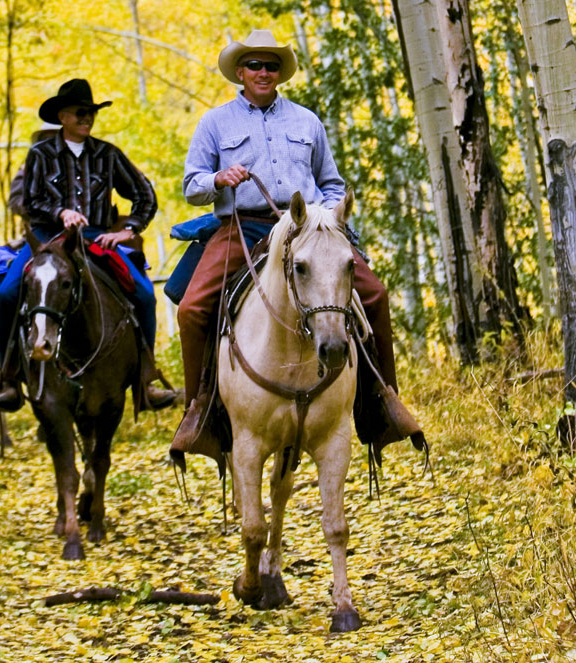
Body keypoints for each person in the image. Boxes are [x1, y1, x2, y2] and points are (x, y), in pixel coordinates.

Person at [173, 29, 404, 452]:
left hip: (308, 228)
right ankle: (199, 410)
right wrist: (218, 179)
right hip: (243, 225)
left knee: (375, 294)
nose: (264, 72)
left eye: (272, 65)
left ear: (280, 73)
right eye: (255, 65)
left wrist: (331, 218)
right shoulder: (215, 122)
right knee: (191, 310)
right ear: (240, 72)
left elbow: (331, 183)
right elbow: (191, 185)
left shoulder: (306, 120)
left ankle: (383, 402)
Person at [0, 78, 177, 411]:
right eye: (80, 113)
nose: (87, 119)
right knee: (5, 294)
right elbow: (28, 201)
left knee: (145, 294)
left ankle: (145, 380)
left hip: (94, 238)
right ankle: (9, 378)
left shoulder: (108, 154)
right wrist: (60, 212)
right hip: (46, 240)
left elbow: (145, 195)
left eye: (90, 113)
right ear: (62, 116)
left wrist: (127, 229)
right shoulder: (40, 154)